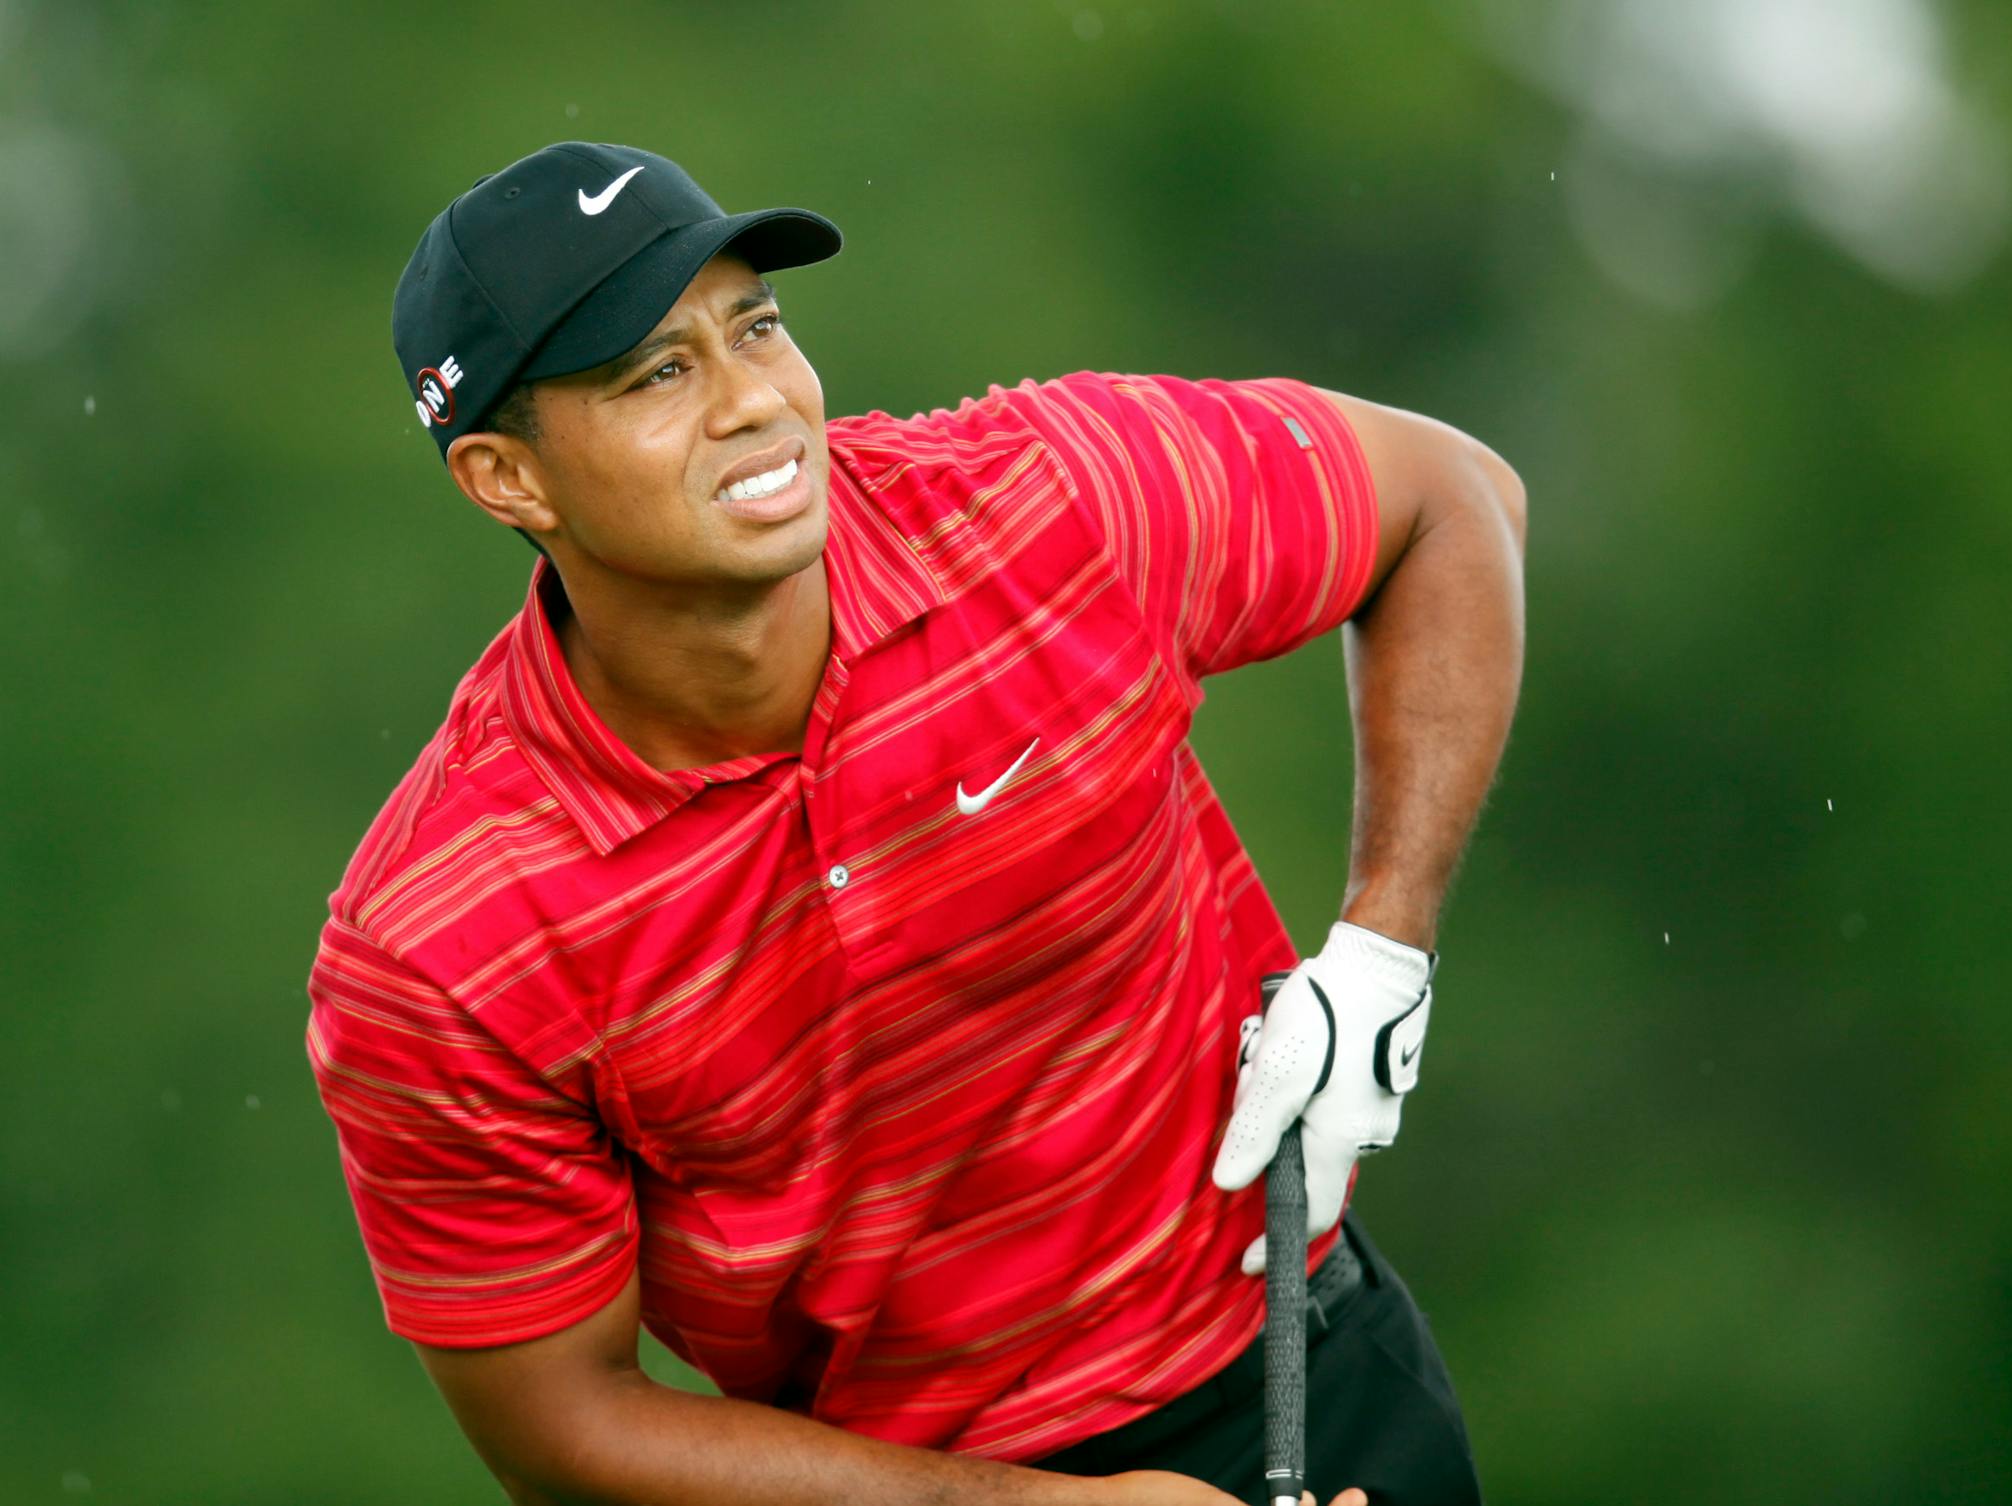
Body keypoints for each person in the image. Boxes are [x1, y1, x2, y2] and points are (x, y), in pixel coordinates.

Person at [307, 141, 1524, 1506]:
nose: (754, 402)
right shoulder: (440, 941)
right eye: (657, 372)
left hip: (1304, 1381)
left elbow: (1451, 502)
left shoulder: (1047, 499)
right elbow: (560, 1424)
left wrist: (1383, 947)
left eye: (756, 326)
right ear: (505, 478)